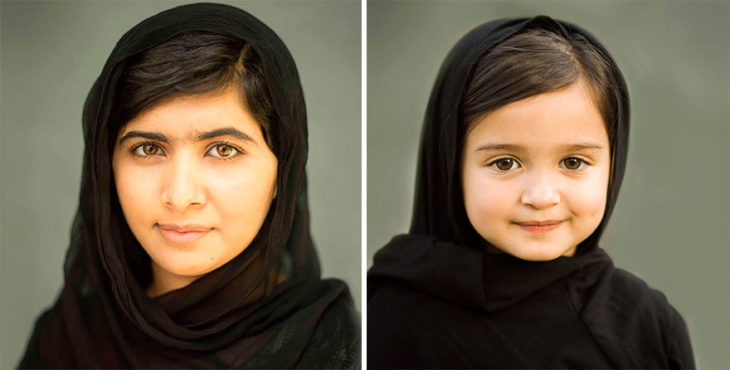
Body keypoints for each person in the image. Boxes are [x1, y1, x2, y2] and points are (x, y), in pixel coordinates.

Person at [18, 3, 359, 368]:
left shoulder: (334, 344)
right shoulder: (65, 339)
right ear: (105, 168)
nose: (180, 196)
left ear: (283, 172)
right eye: (148, 149)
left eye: (223, 150)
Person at [368, 15, 694, 369]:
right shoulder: (391, 320)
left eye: (572, 162)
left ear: (613, 164)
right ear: (450, 164)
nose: (540, 196)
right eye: (505, 163)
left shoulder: (645, 324)